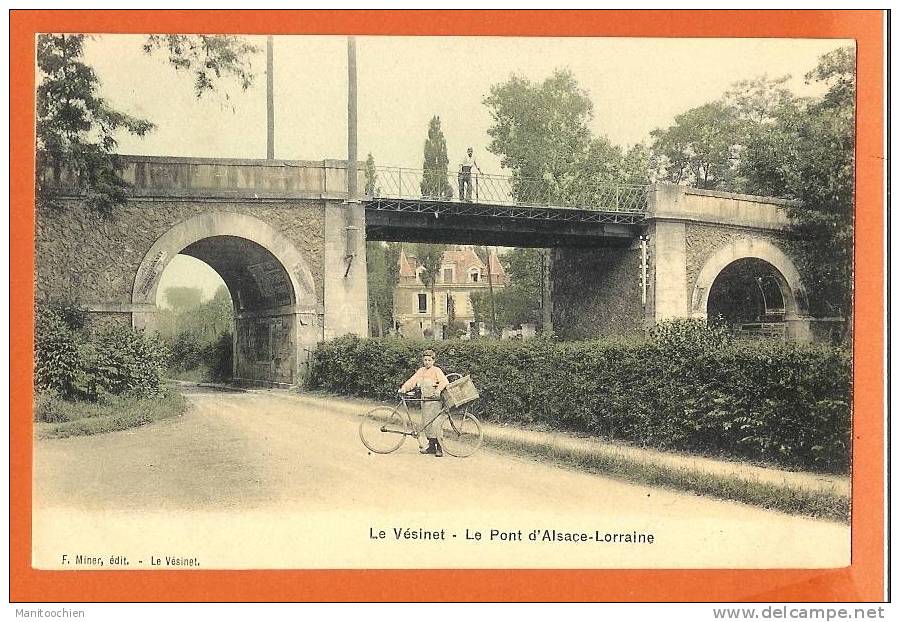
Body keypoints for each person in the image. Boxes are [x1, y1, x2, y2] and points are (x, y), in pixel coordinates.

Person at [398, 349, 450, 457]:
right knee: (427, 423)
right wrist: (404, 388)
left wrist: (438, 390)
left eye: (429, 360)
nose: (427, 362)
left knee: (436, 423)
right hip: (425, 401)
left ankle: (439, 448)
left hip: (435, 401)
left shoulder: (436, 370)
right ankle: (431, 447)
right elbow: (412, 380)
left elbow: (444, 381)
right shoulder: (421, 371)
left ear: (433, 361)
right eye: (425, 360)